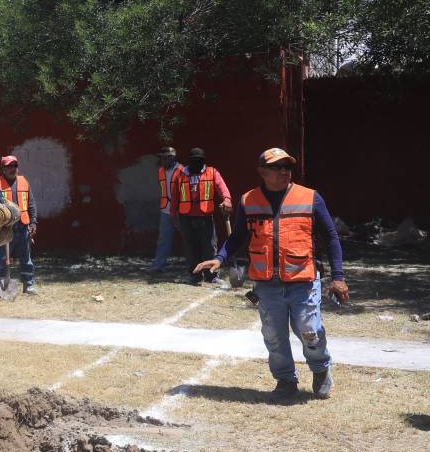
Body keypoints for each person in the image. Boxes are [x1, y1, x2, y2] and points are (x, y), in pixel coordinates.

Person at [195, 148, 348, 401]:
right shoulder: (248, 200)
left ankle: (321, 370)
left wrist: (339, 277)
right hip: (266, 284)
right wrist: (219, 257)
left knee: (310, 330)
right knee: (274, 336)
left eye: (287, 166)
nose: (284, 171)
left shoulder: (310, 198)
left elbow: (331, 237)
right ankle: (286, 380)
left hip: (303, 280)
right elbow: (238, 237)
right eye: (277, 167)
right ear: (262, 172)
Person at [171, 147, 231, 284]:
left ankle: (211, 276)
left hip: (205, 216)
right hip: (185, 216)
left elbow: (222, 187)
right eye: (194, 161)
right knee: (190, 246)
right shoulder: (179, 174)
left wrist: (227, 199)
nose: (197, 163)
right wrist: (173, 213)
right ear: (189, 161)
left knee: (209, 246)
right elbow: (175, 196)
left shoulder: (212, 172)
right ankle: (194, 275)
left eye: (199, 161)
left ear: (203, 161)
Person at [0, 154, 37, 294]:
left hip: (23, 227)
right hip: (5, 228)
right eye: (9, 166)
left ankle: (28, 285)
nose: (13, 169)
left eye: (15, 166)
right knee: (1, 258)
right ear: (3, 169)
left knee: (26, 258)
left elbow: (31, 204)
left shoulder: (24, 182)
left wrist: (33, 222)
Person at [149, 146, 180, 276]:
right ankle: (158, 266)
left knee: (190, 240)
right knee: (163, 239)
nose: (162, 160)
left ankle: (195, 268)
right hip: (166, 211)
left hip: (181, 211)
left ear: (171, 158)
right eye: (161, 158)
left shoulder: (182, 170)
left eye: (164, 158)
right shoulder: (161, 171)